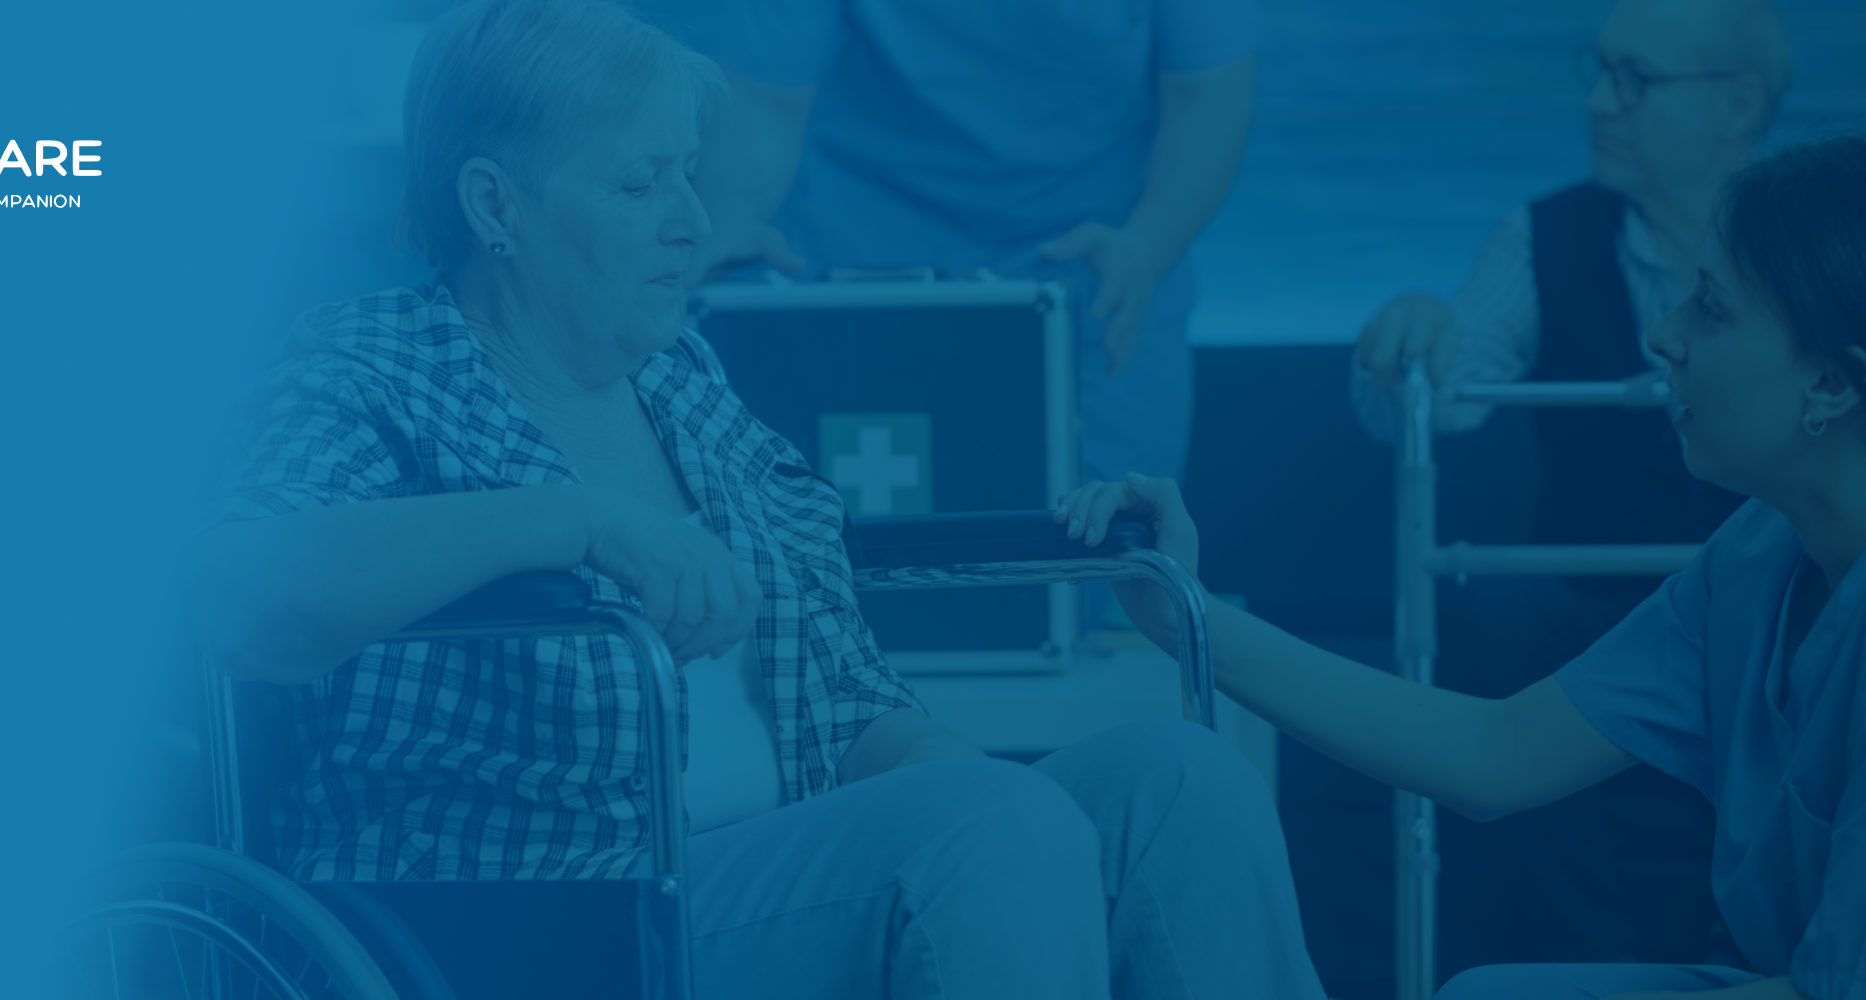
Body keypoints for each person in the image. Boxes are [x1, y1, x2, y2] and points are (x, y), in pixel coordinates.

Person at [184, 3, 1326, 998]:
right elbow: (240, 595)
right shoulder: (378, 361)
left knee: (1182, 784)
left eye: (688, 170)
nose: (691, 217)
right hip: (529, 913)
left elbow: (849, 708)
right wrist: (564, 517)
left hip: (770, 873)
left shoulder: (689, 383)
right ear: (496, 203)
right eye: (641, 182)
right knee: (995, 826)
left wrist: (975, 791)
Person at [1063, 134, 1866, 999]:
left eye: (1711, 308)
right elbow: (1497, 755)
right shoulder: (1764, 555)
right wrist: (1191, 616)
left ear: (1834, 382)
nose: (1662, 336)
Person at [1342, 0, 1866, 972]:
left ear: (1737, 104)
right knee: (1500, 625)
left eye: (1636, 78)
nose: (1596, 101)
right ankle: (1591, 950)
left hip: (1795, 598)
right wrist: (1406, 346)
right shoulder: (1545, 235)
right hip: (1629, 607)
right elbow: (1432, 397)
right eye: (1598, 68)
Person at [667, 0, 1259, 496]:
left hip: (1100, 261)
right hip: (853, 253)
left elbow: (1205, 89)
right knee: (820, 544)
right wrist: (717, 230)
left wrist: (1149, 243)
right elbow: (768, 95)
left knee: (1116, 551)